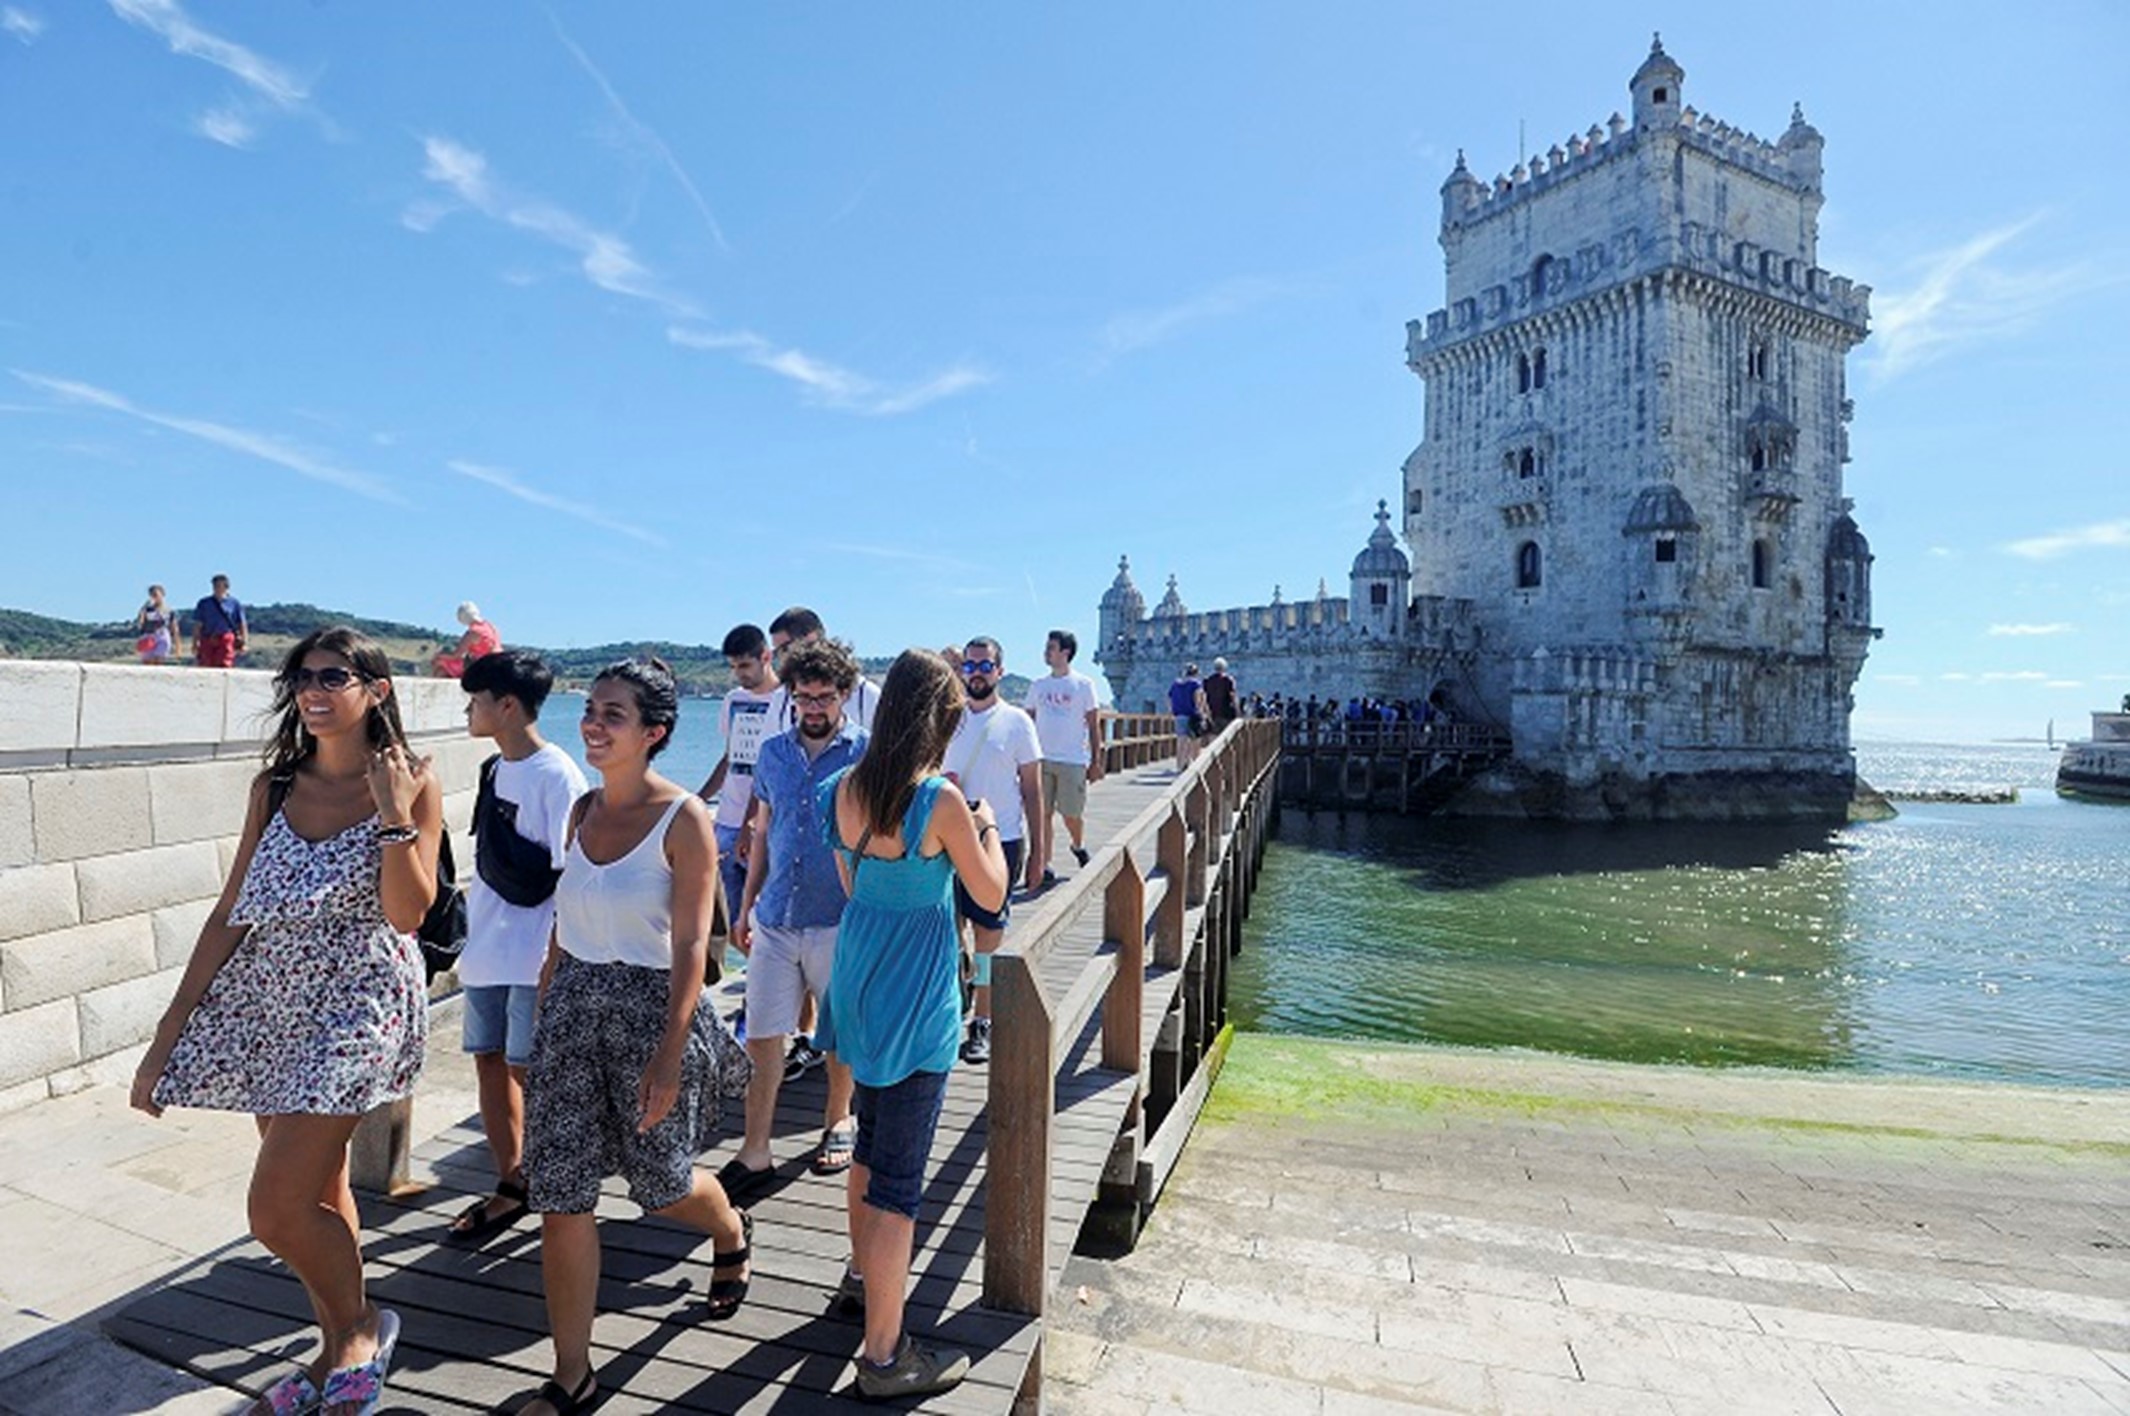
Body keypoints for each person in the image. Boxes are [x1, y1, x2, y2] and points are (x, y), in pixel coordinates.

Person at [132, 626, 439, 1416]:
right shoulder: (274, 787)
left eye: (335, 675)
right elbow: (233, 910)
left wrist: (393, 813)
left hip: (360, 1001)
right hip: (272, 1003)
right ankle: (336, 1352)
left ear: (378, 690)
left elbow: (407, 914)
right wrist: (169, 1036)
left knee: (274, 1207)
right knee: (320, 1192)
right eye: (303, 676)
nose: (314, 689)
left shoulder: (410, 781)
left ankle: (364, 1329)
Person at [516, 658, 751, 1416]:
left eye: (613, 714)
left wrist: (671, 1054)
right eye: (591, 708)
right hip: (576, 1007)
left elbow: (690, 948)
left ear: (653, 733)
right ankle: (572, 1374)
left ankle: (729, 1229)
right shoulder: (582, 810)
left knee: (662, 1184)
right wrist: (548, 1004)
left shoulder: (685, 818)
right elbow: (562, 921)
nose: (593, 723)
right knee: (561, 1193)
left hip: (653, 1011)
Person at [822, 648, 1009, 1400]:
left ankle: (860, 1276)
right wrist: (989, 827)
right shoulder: (941, 800)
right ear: (942, 719)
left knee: (868, 1136)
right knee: (900, 1175)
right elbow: (989, 893)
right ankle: (884, 1355)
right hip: (916, 986)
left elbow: (850, 878)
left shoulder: (841, 787)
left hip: (857, 972)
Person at [447, 649, 587, 1244]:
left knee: (533, 1072)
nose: (468, 711)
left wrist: (558, 961)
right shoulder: (493, 769)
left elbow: (571, 877)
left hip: (533, 954)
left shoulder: (558, 776)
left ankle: (561, 1182)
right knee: (490, 1061)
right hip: (487, 946)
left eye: (476, 701)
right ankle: (513, 1179)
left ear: (507, 705)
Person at [725, 637, 865, 1196]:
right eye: (803, 697)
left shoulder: (867, 753)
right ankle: (754, 1148)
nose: (813, 707)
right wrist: (744, 904)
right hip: (777, 915)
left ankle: (838, 1118)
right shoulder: (774, 754)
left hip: (839, 917)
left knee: (837, 1033)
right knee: (762, 1033)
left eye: (824, 697)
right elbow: (763, 830)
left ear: (844, 696)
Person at [944, 637, 1044, 1065]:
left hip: (997, 840)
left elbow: (1034, 792)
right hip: (946, 837)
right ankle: (958, 999)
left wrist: (1041, 851)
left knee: (988, 935)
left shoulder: (1018, 722)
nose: (978, 673)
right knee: (951, 929)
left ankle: (982, 1019)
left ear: (1000, 671)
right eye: (970, 666)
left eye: (985, 666)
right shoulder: (947, 719)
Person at [696, 624, 779, 982]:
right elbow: (731, 759)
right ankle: (762, 986)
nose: (739, 674)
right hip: (726, 823)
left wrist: (753, 821)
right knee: (730, 925)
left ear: (766, 657)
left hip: (766, 826)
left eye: (745, 666)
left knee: (769, 920)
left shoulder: (787, 701)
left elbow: (772, 771)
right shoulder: (732, 700)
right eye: (733, 667)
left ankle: (777, 993)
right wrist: (696, 801)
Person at [1025, 629, 1104, 886]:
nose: (1046, 652)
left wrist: (1096, 761)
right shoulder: (1038, 685)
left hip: (1072, 759)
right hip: (1042, 759)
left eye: (1051, 648)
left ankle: (1077, 845)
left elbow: (1093, 725)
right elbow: (1028, 722)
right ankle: (1045, 864)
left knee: (1071, 814)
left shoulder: (1083, 685)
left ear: (1065, 653)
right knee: (1043, 813)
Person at [432, 601, 502, 679]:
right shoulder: (491, 626)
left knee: (440, 664)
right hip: (497, 662)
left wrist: (439, 656)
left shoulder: (473, 632)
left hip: (483, 666)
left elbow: (456, 655)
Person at [191, 574, 247, 668]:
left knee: (225, 664)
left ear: (226, 587)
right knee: (205, 665)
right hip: (208, 637)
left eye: (220, 586)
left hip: (225, 638)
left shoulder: (234, 604)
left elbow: (242, 624)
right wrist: (195, 642)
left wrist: (244, 643)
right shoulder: (204, 603)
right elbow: (198, 624)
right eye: (215, 586)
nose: (217, 589)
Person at [1169, 663, 1209, 769]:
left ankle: (1180, 765)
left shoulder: (1175, 684)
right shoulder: (1196, 683)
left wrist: (1172, 711)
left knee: (1181, 741)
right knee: (1195, 741)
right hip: (1192, 715)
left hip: (1179, 715)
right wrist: (1201, 712)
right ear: (1196, 673)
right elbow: (1198, 698)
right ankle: (1195, 766)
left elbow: (1169, 698)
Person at [135, 584, 177, 664]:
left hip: (162, 635)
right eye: (151, 595)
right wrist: (143, 609)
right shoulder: (147, 609)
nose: (154, 597)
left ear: (162, 594)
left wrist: (177, 645)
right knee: (147, 661)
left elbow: (174, 627)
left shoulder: (169, 611)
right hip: (148, 636)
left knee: (159, 660)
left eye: (155, 594)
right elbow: (141, 622)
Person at [1204, 657, 1239, 729]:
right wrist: (1238, 711)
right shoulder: (1228, 680)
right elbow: (1233, 696)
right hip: (1226, 713)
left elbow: (1205, 698)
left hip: (1213, 713)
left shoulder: (1208, 680)